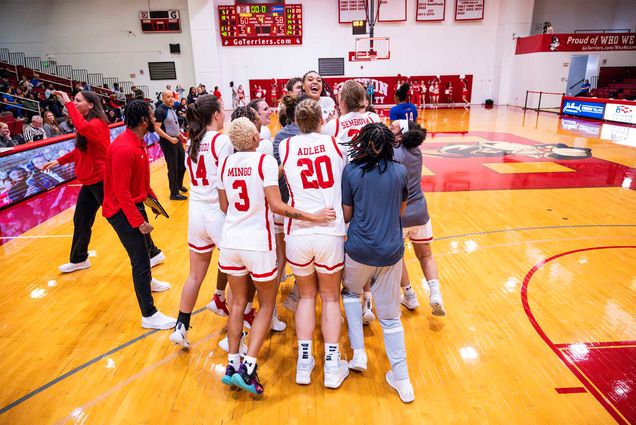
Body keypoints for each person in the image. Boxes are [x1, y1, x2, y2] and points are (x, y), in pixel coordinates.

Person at [218, 117, 334, 395]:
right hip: (257, 242)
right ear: (257, 137)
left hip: (230, 240)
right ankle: (249, 368)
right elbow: (278, 206)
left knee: (238, 305)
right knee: (267, 305)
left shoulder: (225, 163)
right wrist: (312, 216)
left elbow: (224, 205)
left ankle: (232, 365)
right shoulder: (264, 161)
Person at [341, 122, 414, 403]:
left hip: (359, 250)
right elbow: (401, 208)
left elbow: (347, 215)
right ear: (388, 144)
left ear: (362, 144)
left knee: (350, 292)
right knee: (391, 318)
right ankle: (403, 380)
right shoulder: (400, 171)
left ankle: (358, 352)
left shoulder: (351, 171)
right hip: (391, 251)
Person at [280, 98, 350, 388]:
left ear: (297, 122)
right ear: (322, 119)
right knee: (331, 298)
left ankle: (304, 362)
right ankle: (332, 366)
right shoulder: (336, 145)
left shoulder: (284, 147)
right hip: (329, 229)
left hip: (298, 230)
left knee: (307, 297)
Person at [102, 100, 176, 329]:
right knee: (141, 261)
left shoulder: (138, 142)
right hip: (120, 211)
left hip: (134, 205)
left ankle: (149, 282)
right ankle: (149, 314)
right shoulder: (124, 148)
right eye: (152, 115)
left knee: (147, 254)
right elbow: (121, 191)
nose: (155, 118)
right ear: (143, 120)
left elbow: (140, 182)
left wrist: (153, 203)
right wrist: (138, 222)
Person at [169, 94, 234, 349]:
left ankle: (181, 326)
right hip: (218, 212)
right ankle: (238, 326)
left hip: (196, 213)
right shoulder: (222, 141)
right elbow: (226, 182)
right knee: (238, 272)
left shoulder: (192, 143)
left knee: (194, 275)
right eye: (222, 110)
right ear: (216, 115)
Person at [321, 80, 381, 322]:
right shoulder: (375, 119)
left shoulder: (332, 126)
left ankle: (351, 298)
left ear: (342, 102)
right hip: (375, 185)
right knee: (366, 243)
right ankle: (367, 300)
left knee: (349, 247)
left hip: (347, 187)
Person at [390, 119, 445, 316]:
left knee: (398, 258)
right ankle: (436, 294)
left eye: (393, 126)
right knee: (426, 255)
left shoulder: (393, 152)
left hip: (400, 213)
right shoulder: (416, 152)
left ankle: (410, 295)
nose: (389, 127)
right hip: (420, 211)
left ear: (401, 133)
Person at [155, 90, 187, 200]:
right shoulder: (160, 110)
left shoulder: (171, 108)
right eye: (168, 97)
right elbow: (157, 128)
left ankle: (178, 185)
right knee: (173, 168)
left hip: (176, 140)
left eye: (172, 96)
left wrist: (180, 136)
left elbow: (174, 125)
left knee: (182, 165)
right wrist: (170, 138)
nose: (171, 99)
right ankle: (174, 193)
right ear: (163, 98)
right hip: (168, 142)